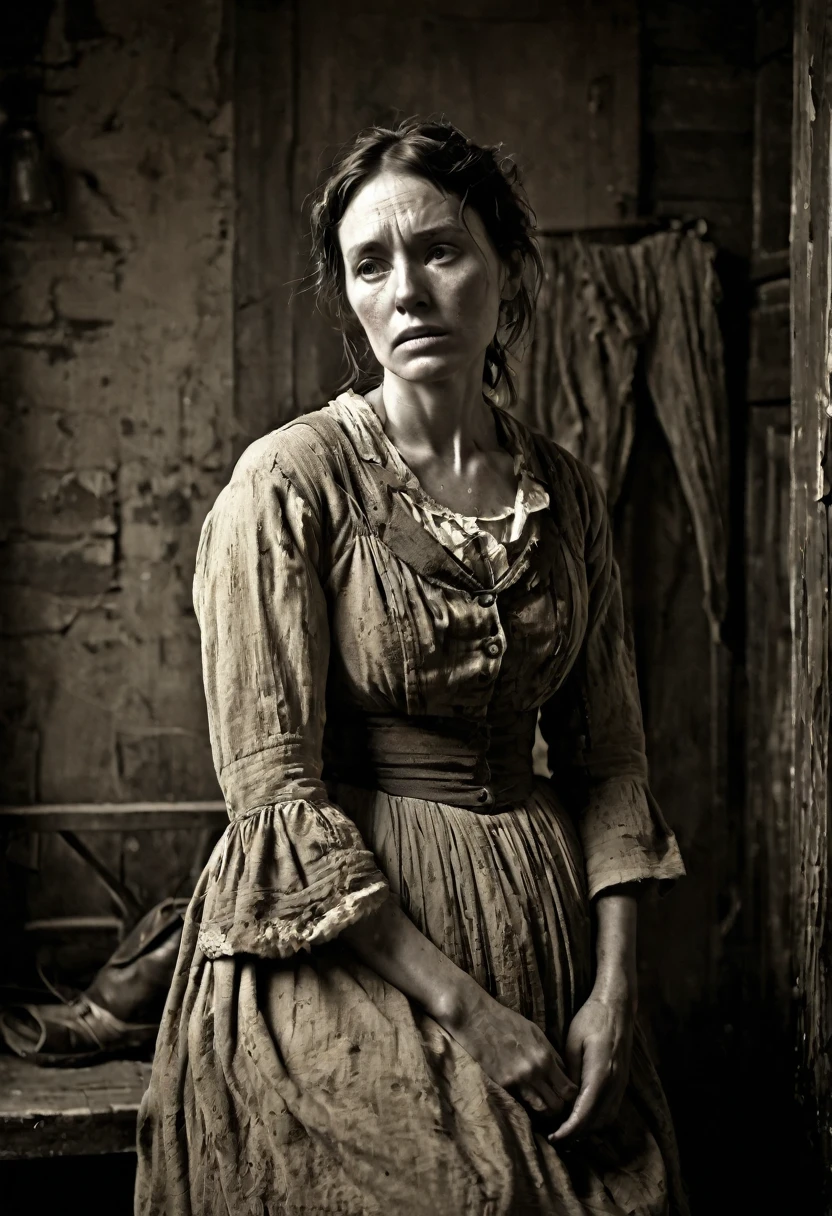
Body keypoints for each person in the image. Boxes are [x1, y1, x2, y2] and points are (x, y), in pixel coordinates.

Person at [135, 118, 689, 1216]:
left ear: (505, 266)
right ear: (346, 294)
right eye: (369, 264)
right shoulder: (288, 483)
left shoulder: (567, 494)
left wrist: (616, 992)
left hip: (544, 921)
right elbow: (275, 800)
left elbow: (610, 759)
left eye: (440, 250)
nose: (408, 290)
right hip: (349, 941)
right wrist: (472, 1016)